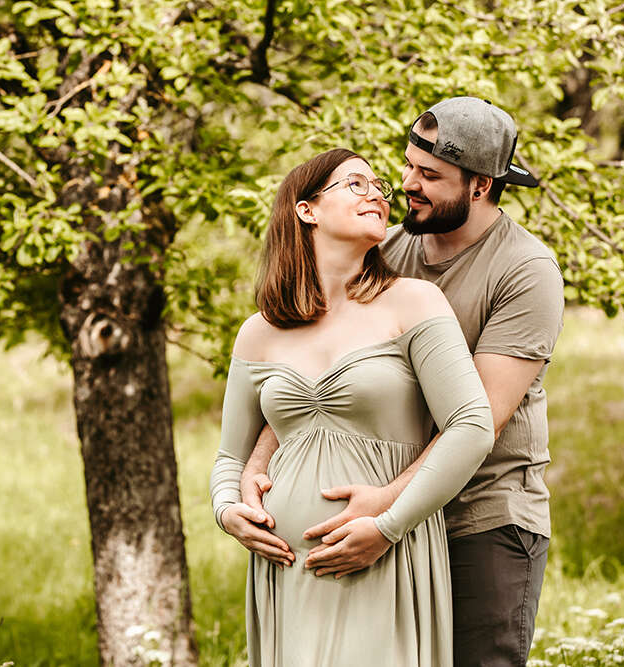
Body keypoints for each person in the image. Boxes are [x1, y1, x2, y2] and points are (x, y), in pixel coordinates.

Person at [236, 98, 566, 666]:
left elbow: (480, 416)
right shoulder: (385, 249)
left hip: (482, 515)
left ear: (481, 186)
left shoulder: (524, 271)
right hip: (388, 518)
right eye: (408, 166)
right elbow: (313, 370)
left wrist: (386, 514)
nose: (406, 185)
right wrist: (258, 461)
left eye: (429, 176)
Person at [210, 147, 495, 666]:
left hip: (382, 554)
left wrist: (387, 526)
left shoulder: (413, 302)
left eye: (379, 187)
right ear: (306, 210)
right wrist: (228, 511)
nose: (378, 196)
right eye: (355, 185)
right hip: (286, 569)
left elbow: (472, 425)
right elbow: (230, 459)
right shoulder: (259, 331)